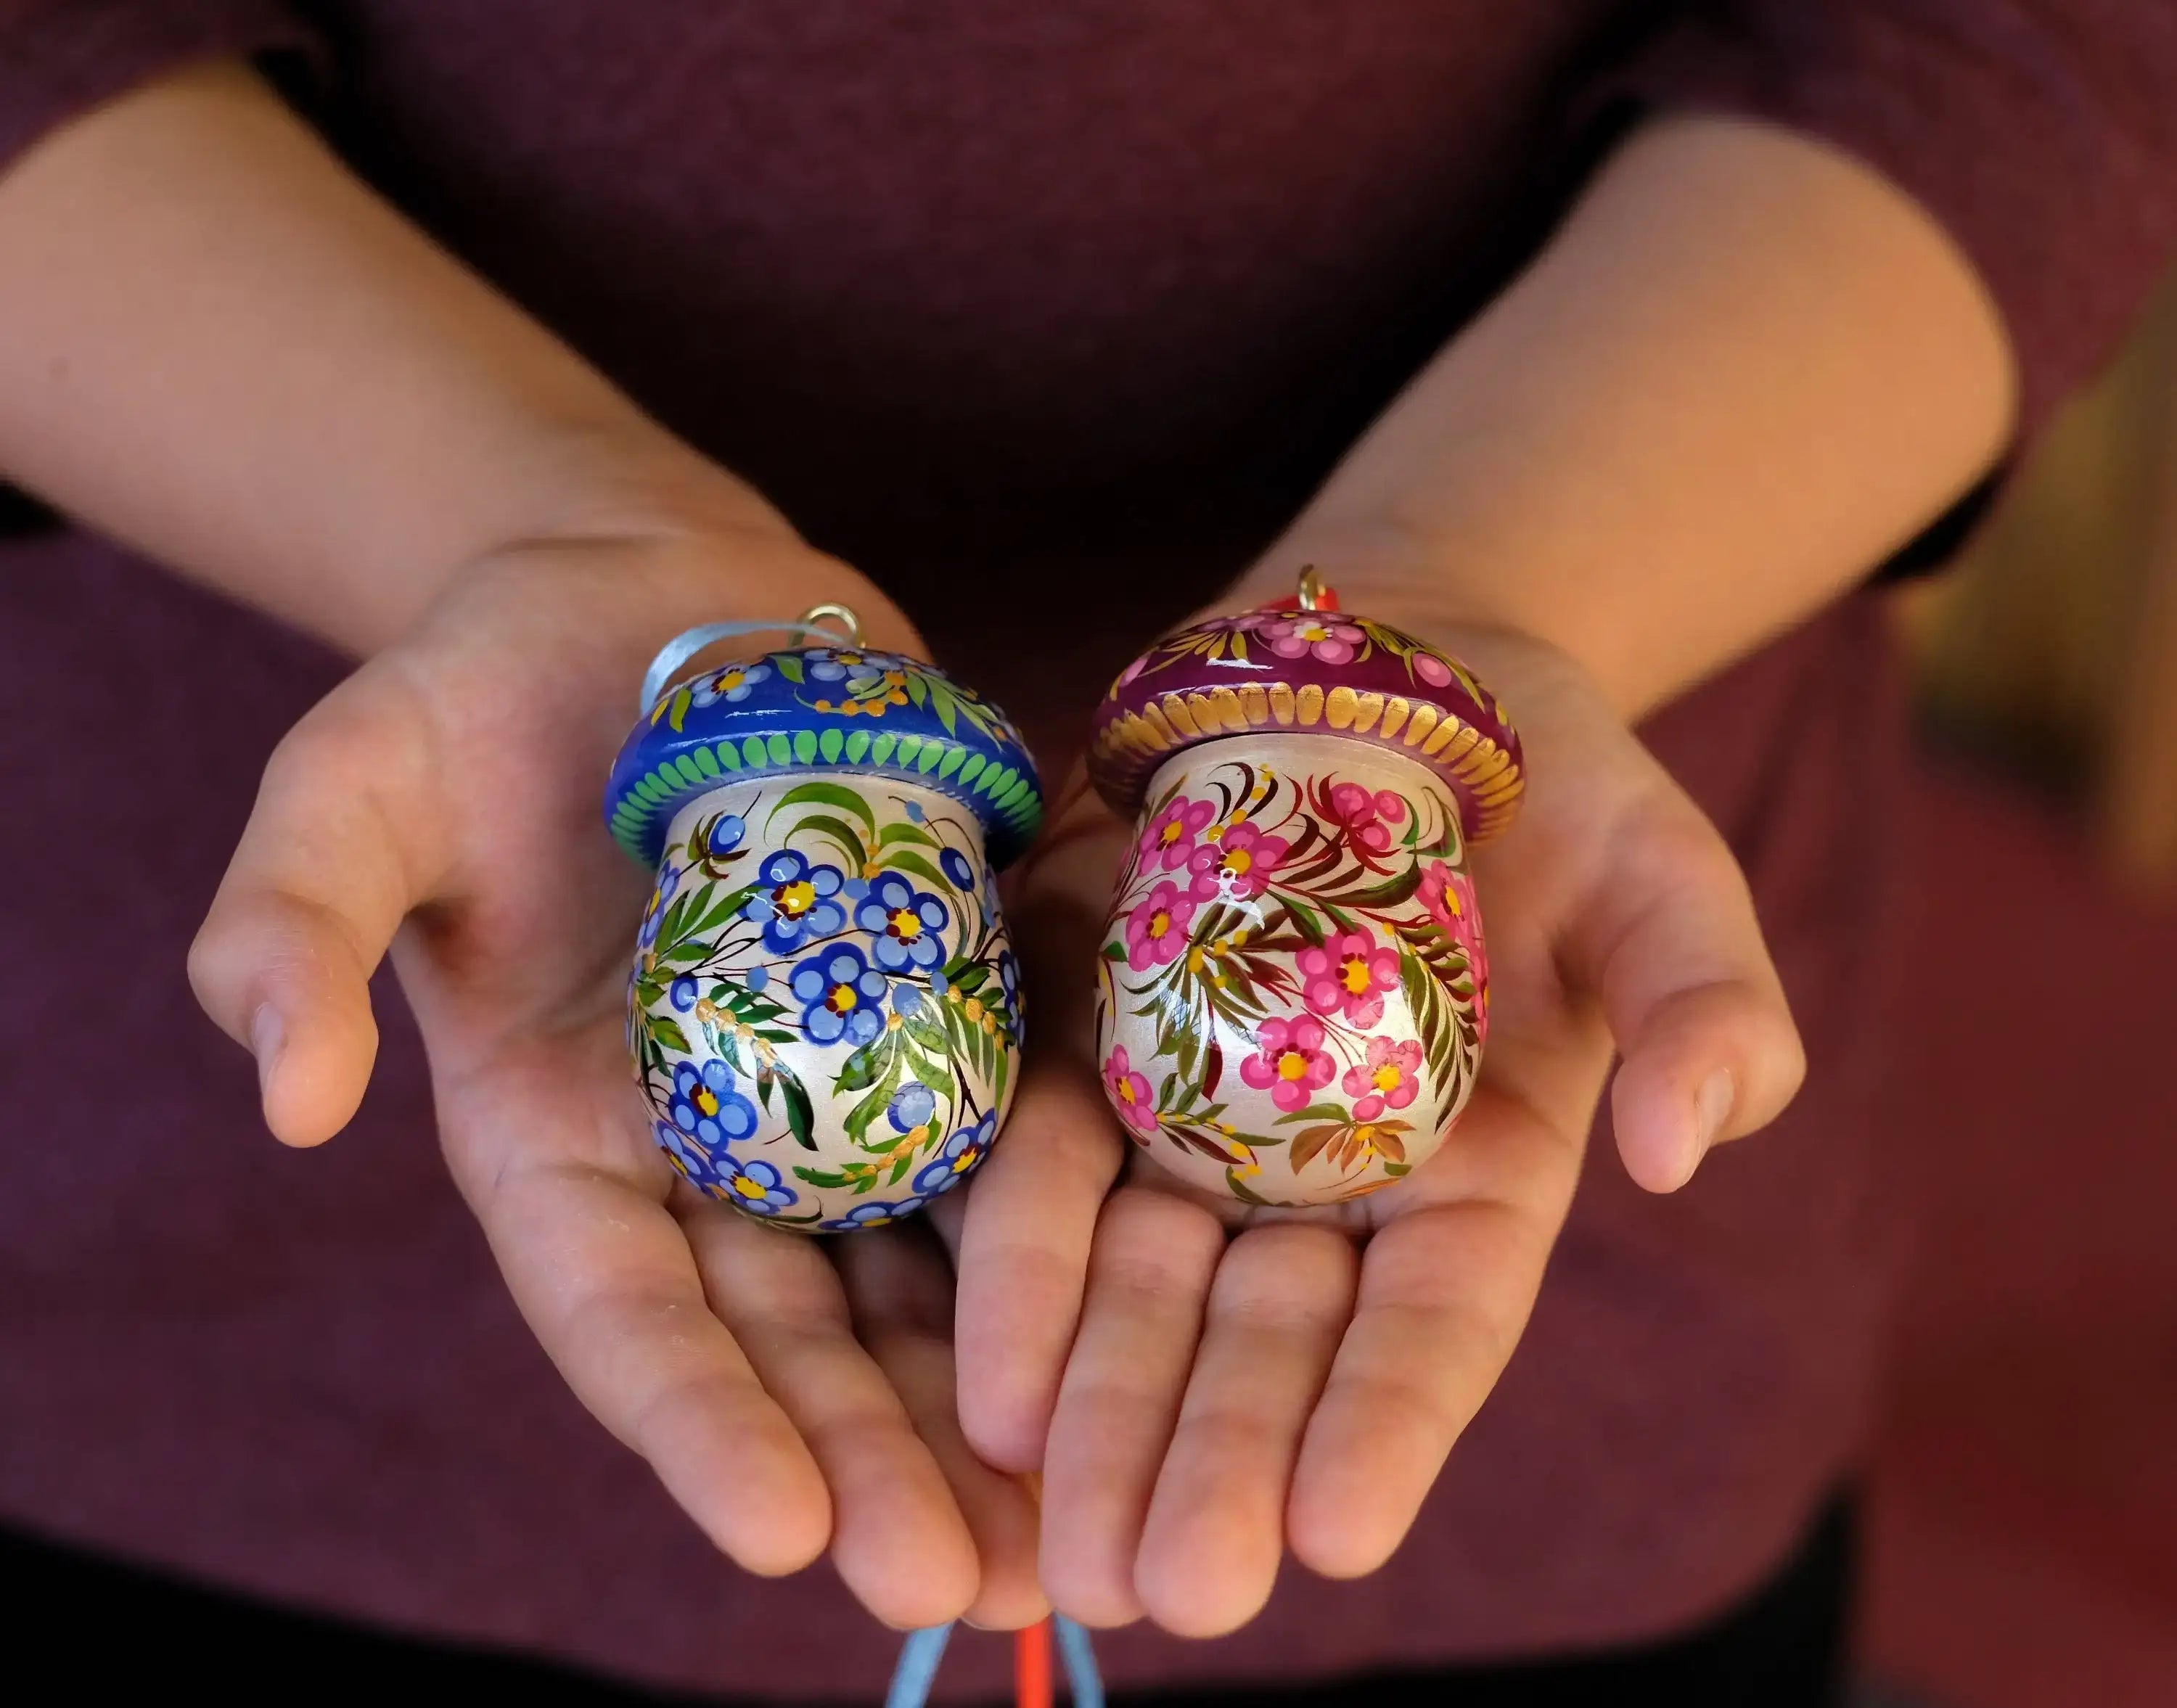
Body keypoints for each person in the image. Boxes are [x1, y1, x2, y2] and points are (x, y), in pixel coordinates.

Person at [0, 5, 2170, 1703]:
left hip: (1586, 1379)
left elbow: (2004, 41)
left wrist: (1495, 578)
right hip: (180, 1312)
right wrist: (518, 537)